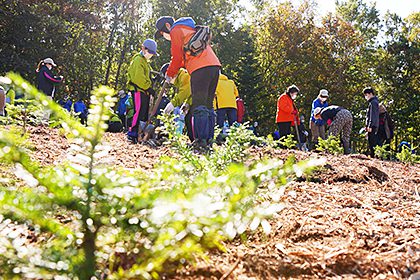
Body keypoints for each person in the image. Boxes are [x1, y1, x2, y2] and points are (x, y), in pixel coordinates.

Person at [155, 16, 221, 151]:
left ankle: (200, 141)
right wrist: (173, 71)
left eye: (163, 33)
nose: (165, 37)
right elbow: (183, 59)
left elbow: (177, 58)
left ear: (167, 26)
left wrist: (169, 73)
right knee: (208, 105)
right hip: (214, 66)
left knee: (199, 105)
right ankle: (208, 141)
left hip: (200, 68)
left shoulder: (175, 30)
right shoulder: (189, 29)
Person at [126, 39, 158, 144]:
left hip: (144, 91)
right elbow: (138, 78)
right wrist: (148, 87)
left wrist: (153, 80)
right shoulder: (138, 60)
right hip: (139, 90)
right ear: (143, 48)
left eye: (152, 54)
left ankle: (140, 134)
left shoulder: (145, 62)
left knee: (144, 113)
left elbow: (146, 76)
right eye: (150, 52)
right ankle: (132, 133)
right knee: (138, 111)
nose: (151, 55)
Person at [364, 87, 380, 157]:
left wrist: (370, 126)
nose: (365, 97)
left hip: (372, 126)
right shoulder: (374, 102)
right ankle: (374, 155)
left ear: (370, 94)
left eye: (366, 95)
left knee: (372, 142)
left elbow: (372, 115)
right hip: (373, 125)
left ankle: (374, 156)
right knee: (372, 142)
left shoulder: (373, 102)